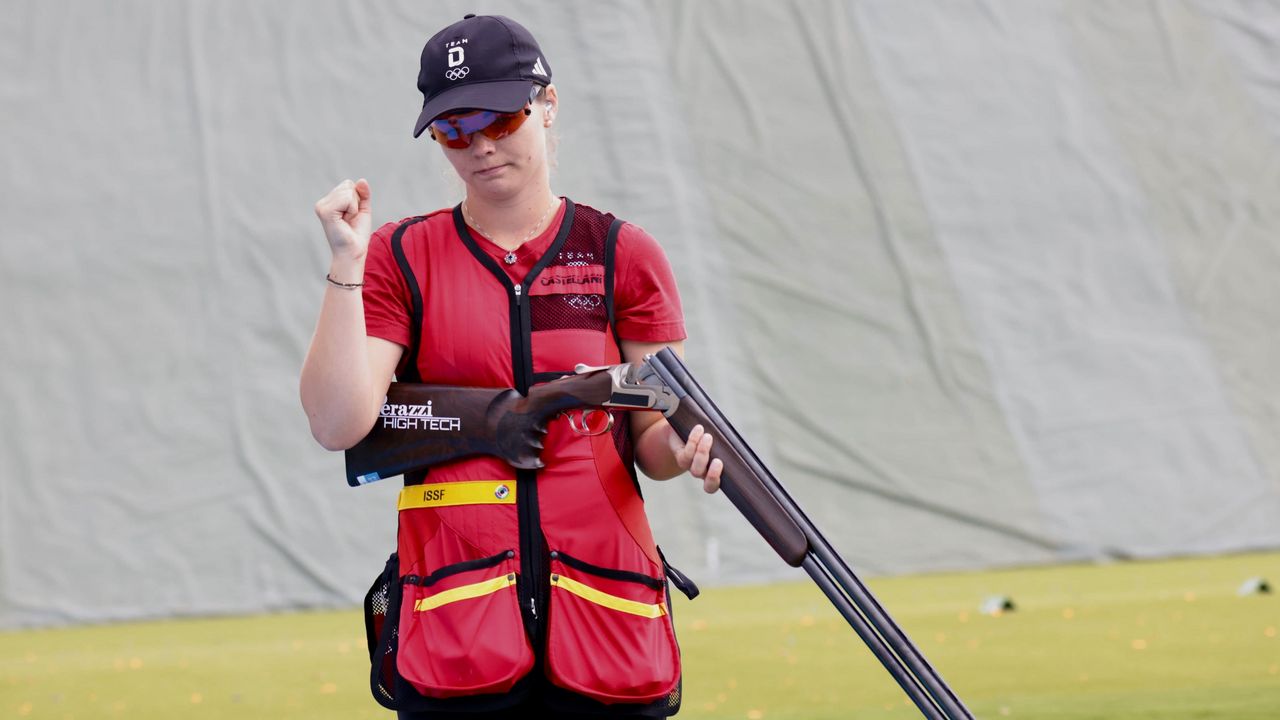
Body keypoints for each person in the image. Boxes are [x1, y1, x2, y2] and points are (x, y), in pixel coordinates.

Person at [299, 13, 723, 719]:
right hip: (456, 631)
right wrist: (348, 261)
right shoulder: (402, 257)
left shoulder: (624, 254)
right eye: (453, 130)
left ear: (548, 105)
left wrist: (685, 448)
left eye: (500, 120)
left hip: (607, 622)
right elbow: (339, 421)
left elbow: (653, 439)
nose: (479, 147)